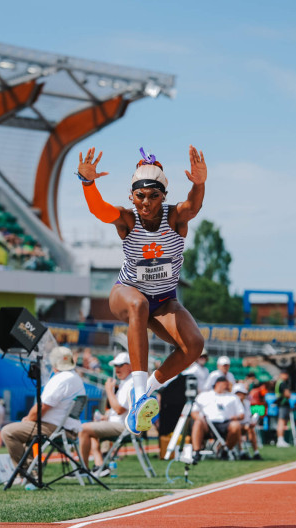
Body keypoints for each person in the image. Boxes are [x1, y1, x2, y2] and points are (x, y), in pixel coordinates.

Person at [77, 145, 207, 436]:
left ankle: (144, 394)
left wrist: (198, 184)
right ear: (131, 196)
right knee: (138, 305)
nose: (146, 203)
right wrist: (88, 183)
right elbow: (100, 210)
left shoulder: (174, 219)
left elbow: (193, 206)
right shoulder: (127, 219)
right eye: (140, 196)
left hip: (163, 302)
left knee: (194, 346)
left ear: (163, 197)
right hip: (127, 292)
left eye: (153, 196)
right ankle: (137, 391)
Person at [0, 346, 86, 469]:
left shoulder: (61, 379)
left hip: (56, 428)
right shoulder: (75, 377)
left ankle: (25, 473)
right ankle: (31, 470)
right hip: (67, 427)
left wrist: (28, 419)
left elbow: (40, 408)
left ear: (54, 363)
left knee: (8, 432)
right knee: (24, 432)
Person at [79, 352, 132, 475]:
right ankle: (99, 465)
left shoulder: (130, 383)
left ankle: (83, 468)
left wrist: (109, 390)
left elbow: (119, 409)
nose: (117, 369)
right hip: (119, 423)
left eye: (120, 365)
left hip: (123, 426)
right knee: (91, 428)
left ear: (130, 366)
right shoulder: (125, 382)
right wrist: (105, 417)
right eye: (115, 366)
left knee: (83, 429)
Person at [189, 376, 245, 462]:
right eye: (225, 384)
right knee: (198, 422)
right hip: (208, 424)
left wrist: (235, 417)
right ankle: (196, 451)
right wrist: (200, 418)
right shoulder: (204, 395)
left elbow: (241, 414)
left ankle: (225, 449)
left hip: (225, 423)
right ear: (218, 383)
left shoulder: (233, 397)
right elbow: (194, 412)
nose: (227, 386)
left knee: (236, 426)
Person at [234, 382, 261, 459]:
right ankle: (241, 451)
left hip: (245, 425)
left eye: (242, 394)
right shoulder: (232, 403)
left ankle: (256, 452)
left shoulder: (246, 403)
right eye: (238, 394)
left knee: (251, 429)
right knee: (238, 428)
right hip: (235, 426)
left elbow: (248, 417)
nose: (240, 396)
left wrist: (251, 422)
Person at [274, 372, 293, 447]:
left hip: (281, 404)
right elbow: (287, 394)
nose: (287, 376)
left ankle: (281, 439)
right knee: (281, 422)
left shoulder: (279, 383)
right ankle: (280, 439)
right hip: (283, 404)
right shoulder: (282, 383)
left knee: (282, 422)